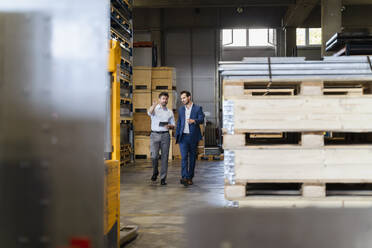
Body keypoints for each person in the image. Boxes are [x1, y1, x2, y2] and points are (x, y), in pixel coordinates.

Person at [175, 91, 204, 187]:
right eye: (181, 98)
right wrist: (177, 135)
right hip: (183, 137)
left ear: (189, 97)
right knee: (183, 158)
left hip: (193, 137)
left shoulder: (197, 108)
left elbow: (201, 119)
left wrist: (194, 121)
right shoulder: (181, 109)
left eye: (184, 98)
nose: (182, 100)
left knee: (192, 158)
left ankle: (190, 177)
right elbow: (179, 122)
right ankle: (184, 177)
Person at [148, 92, 175, 186]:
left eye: (166, 99)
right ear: (160, 99)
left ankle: (163, 178)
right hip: (154, 135)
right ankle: (155, 172)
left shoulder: (170, 112)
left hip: (165, 135)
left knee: (165, 157)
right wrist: (153, 105)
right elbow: (149, 112)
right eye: (163, 98)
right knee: (154, 156)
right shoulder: (154, 109)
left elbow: (173, 125)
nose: (165, 100)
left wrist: (170, 126)